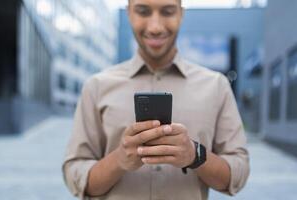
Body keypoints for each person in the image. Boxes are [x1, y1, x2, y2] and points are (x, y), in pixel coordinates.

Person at [62, 0, 250, 199]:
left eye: (167, 12)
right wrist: (119, 159)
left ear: (181, 14)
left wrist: (194, 155)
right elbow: (75, 175)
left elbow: (237, 174)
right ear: (129, 13)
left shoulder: (216, 86)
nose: (155, 27)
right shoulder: (97, 87)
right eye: (143, 12)